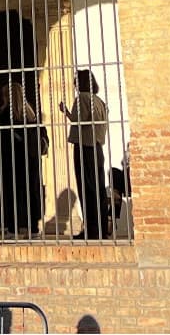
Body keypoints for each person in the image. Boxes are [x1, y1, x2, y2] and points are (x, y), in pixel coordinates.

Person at [61, 69, 111, 240]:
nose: (74, 84)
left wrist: (67, 112)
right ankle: (101, 229)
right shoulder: (98, 100)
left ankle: (91, 230)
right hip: (97, 147)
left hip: (85, 146)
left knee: (87, 189)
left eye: (76, 80)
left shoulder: (82, 98)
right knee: (99, 189)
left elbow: (79, 120)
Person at [1, 78, 47, 236]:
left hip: (14, 158)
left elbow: (5, 137)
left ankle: (13, 229)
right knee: (31, 191)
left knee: (13, 193)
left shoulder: (6, 114)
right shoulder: (30, 113)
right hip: (31, 157)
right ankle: (33, 228)